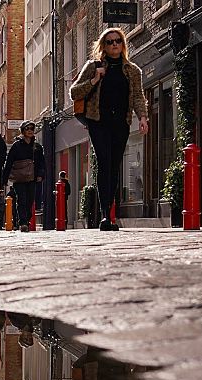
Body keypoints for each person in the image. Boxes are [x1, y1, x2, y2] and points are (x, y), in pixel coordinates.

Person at [70, 28, 148, 231]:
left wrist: (143, 117)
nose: (114, 45)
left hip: (120, 123)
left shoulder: (133, 71)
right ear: (103, 46)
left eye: (118, 41)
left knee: (114, 167)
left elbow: (138, 96)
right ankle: (105, 215)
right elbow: (74, 92)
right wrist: (94, 80)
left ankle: (110, 214)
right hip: (98, 122)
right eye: (110, 42)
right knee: (104, 163)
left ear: (123, 45)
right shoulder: (93, 66)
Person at [1, 121, 46, 232]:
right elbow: (9, 162)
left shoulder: (37, 147)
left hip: (32, 178)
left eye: (32, 128)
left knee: (30, 200)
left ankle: (26, 218)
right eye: (27, 128)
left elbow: (42, 162)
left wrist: (41, 175)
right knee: (22, 199)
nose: (30, 130)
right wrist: (4, 179)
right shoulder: (16, 146)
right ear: (22, 131)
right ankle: (23, 222)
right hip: (19, 178)